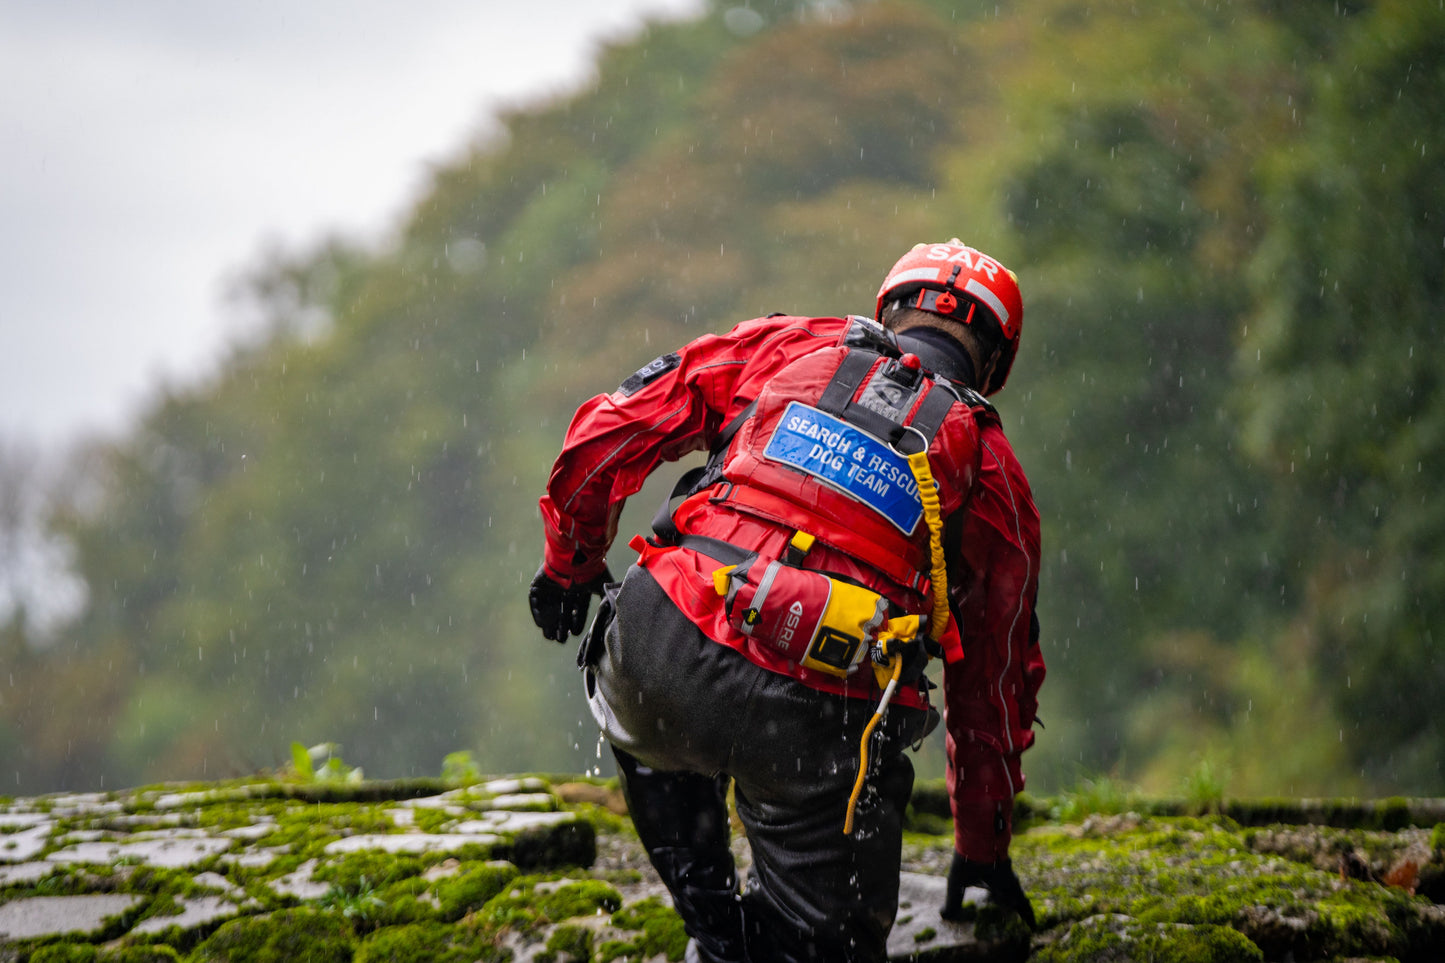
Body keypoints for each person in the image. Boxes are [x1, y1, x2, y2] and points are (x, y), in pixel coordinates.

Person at [530, 240, 1044, 963]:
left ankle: (712, 926)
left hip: (661, 646)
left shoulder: (787, 345)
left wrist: (569, 567)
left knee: (646, 709)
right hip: (821, 713)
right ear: (994, 362)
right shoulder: (992, 474)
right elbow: (992, 687)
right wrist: (983, 845)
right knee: (824, 944)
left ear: (888, 307)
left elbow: (608, 434)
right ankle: (749, 942)